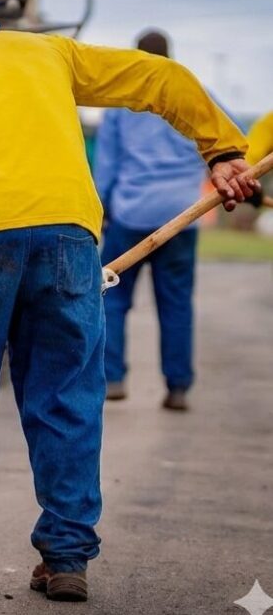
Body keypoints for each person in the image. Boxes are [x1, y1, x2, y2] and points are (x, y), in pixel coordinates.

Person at [0, 4, 255, 602]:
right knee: (67, 393)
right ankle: (66, 557)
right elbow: (165, 78)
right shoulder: (44, 52)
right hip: (69, 239)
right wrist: (222, 151)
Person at [92, 30, 220, 410]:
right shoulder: (196, 92)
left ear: (136, 57)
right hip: (183, 215)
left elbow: (108, 164)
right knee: (177, 302)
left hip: (131, 214)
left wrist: (101, 210)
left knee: (111, 299)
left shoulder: (122, 103)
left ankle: (113, 378)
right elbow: (230, 137)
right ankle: (178, 387)